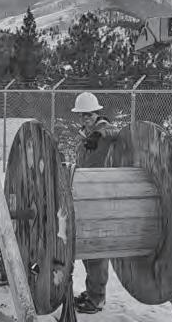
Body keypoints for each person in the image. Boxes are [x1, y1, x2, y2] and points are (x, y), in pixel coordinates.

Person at [71, 92, 119, 314]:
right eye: (82, 115)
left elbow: (115, 131)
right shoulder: (84, 134)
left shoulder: (104, 130)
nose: (85, 119)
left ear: (97, 113)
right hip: (86, 195)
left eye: (89, 115)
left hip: (100, 197)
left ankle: (97, 298)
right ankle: (92, 292)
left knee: (97, 250)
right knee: (87, 247)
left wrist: (99, 133)